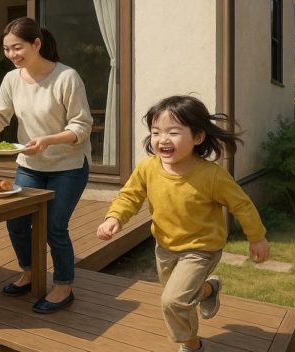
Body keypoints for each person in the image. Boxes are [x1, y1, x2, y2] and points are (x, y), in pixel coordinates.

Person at [96, 95, 270, 352]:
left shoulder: (211, 175)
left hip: (201, 248)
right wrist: (115, 217)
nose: (163, 139)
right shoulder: (148, 168)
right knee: (180, 300)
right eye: (156, 132)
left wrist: (257, 237)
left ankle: (192, 346)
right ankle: (210, 289)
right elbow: (130, 195)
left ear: (198, 137)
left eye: (173, 132)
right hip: (165, 247)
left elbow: (241, 205)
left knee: (174, 302)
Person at [0, 17, 92, 314]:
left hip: (67, 165)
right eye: (6, 49)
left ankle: (63, 285)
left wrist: (49, 140)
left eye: (17, 48)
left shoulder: (67, 77)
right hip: (30, 163)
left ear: (36, 44)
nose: (12, 55)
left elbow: (81, 126)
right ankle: (30, 273)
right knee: (16, 221)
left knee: (54, 227)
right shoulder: (12, 79)